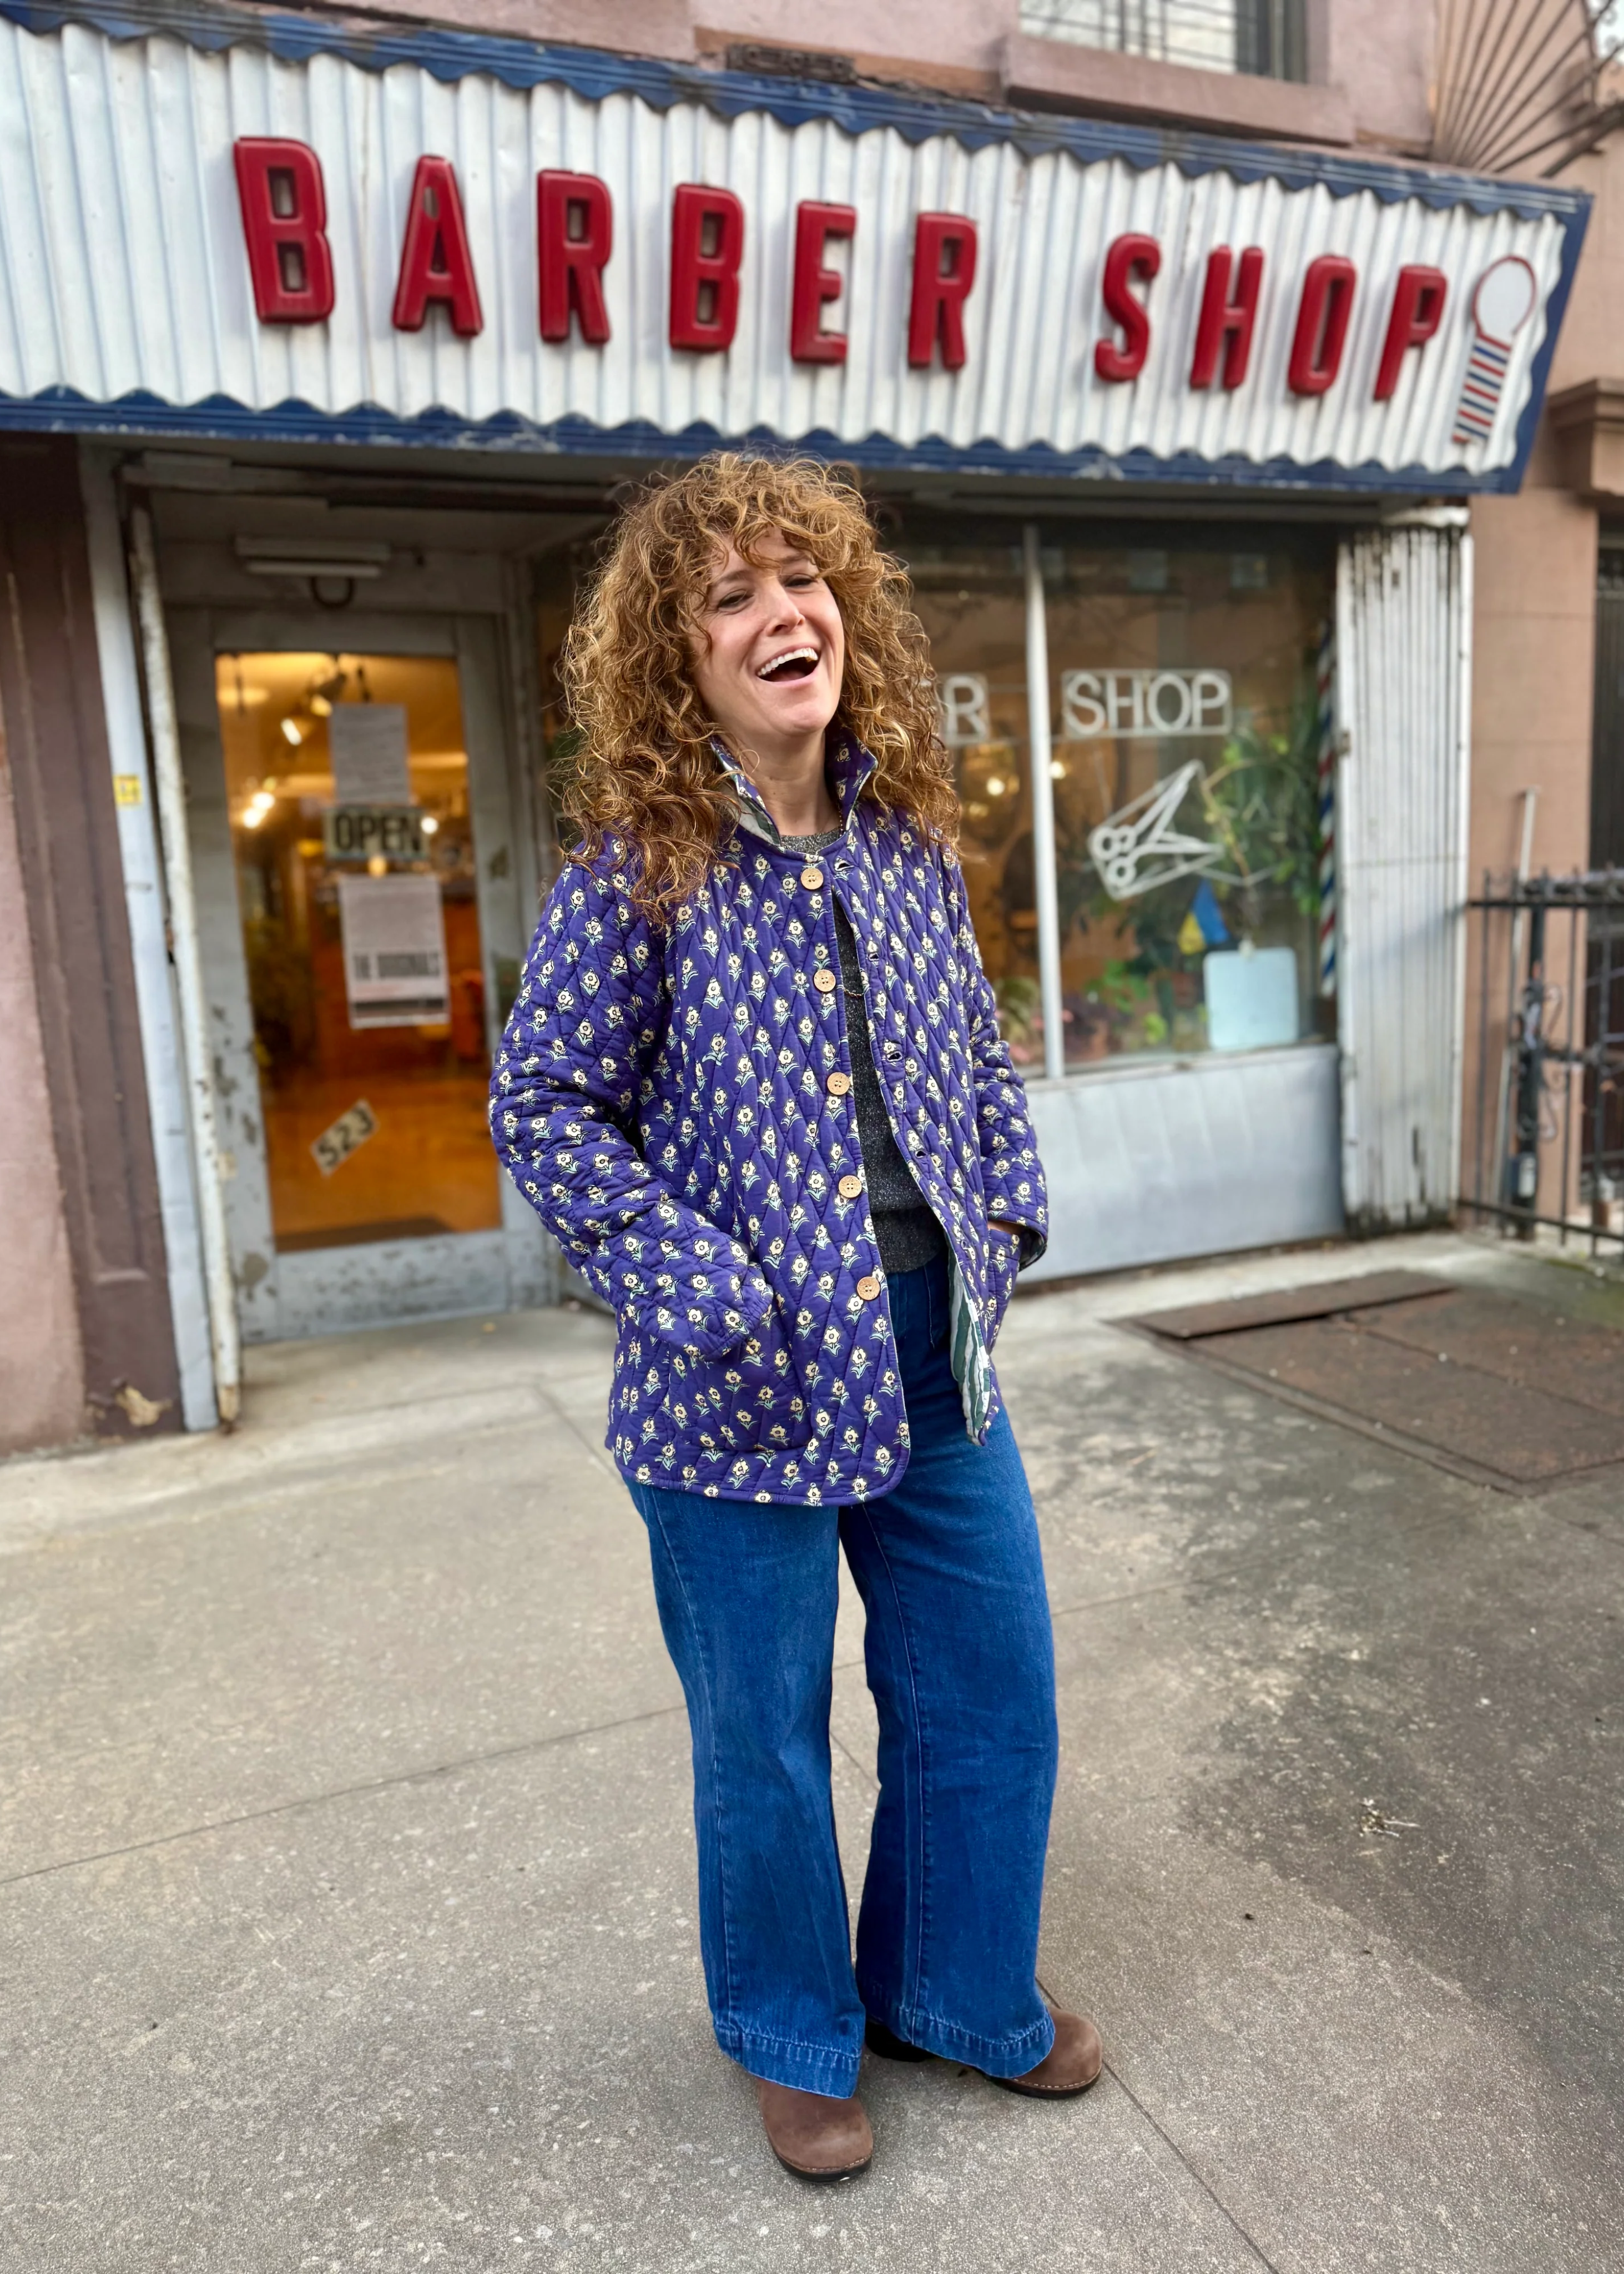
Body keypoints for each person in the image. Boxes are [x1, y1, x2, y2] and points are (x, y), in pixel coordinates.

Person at [491, 454, 1101, 2181]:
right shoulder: (637, 868)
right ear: (676, 654)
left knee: (990, 1691)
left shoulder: (906, 842)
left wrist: (1002, 1217)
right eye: (732, 594)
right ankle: (790, 2033)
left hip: (934, 1355)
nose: (783, 612)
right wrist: (695, 1285)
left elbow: (975, 1056)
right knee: (763, 1739)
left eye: (802, 578)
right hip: (733, 1382)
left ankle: (952, 1992)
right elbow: (544, 1103)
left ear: (846, 611)